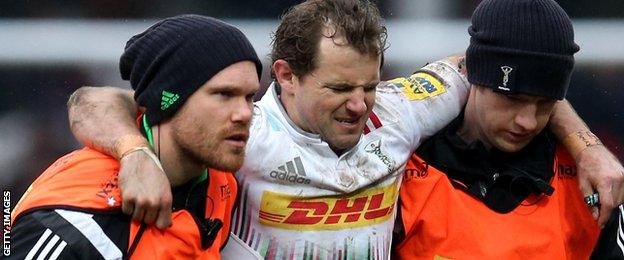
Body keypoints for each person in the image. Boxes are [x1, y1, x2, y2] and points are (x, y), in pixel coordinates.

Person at [66, 0, 624, 259]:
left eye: (369, 84)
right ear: (284, 76)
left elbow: (507, 72)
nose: (360, 106)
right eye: (338, 90)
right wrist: (134, 150)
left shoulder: (402, 110)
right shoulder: (243, 133)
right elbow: (93, 100)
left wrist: (586, 145)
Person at [9, 15, 262, 259]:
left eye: (249, 97)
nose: (244, 113)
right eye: (224, 95)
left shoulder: (221, 180)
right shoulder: (78, 224)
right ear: (170, 101)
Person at [393, 0, 623, 258]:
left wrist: (588, 149)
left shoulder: (589, 183)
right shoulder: (402, 169)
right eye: (512, 98)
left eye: (544, 103)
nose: (528, 121)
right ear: (475, 73)